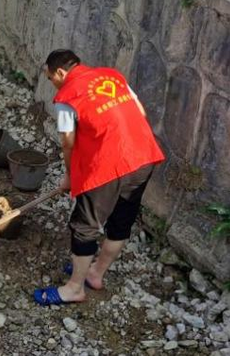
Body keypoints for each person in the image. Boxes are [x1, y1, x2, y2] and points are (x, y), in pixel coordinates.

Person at [33, 50, 166, 306]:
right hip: (143, 156)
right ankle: (95, 273)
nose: (52, 84)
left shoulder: (65, 98)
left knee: (85, 226)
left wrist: (71, 177)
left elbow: (68, 143)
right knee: (121, 221)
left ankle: (74, 289)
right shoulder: (112, 76)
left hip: (109, 164)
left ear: (60, 73)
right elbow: (140, 112)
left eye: (50, 78)